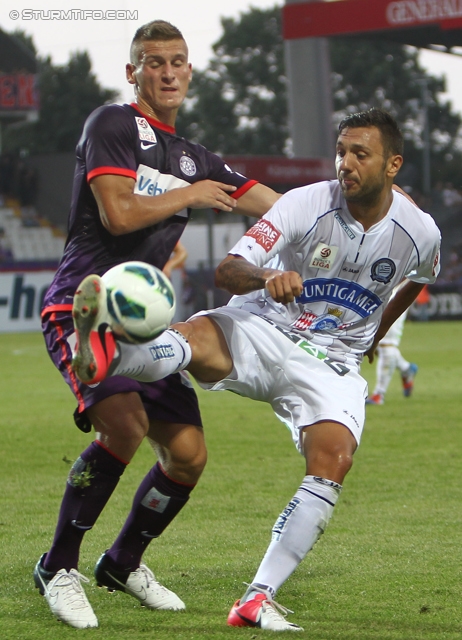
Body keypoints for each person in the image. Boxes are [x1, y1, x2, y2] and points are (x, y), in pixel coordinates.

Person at [71, 108, 441, 631]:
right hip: (268, 327)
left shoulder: (420, 232)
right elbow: (228, 268)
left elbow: (418, 279)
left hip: (332, 361)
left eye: (361, 154)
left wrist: (374, 335)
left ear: (393, 164)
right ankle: (106, 357)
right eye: (341, 152)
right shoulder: (303, 204)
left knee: (333, 459)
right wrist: (266, 276)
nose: (346, 163)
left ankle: (256, 598)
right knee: (197, 339)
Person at [35, 20, 279, 630]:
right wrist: (190, 193)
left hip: (141, 330)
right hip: (83, 308)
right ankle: (58, 565)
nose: (168, 72)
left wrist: (354, 211)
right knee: (124, 425)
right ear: (132, 72)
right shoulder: (113, 125)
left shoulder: (197, 156)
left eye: (177, 62)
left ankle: (121, 563)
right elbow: (117, 214)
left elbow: (278, 206)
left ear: (190, 71)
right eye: (154, 62)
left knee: (188, 456)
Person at [365, 285, 418, 405]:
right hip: (378, 288)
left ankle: (379, 394)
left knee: (385, 343)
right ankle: (406, 368)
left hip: (397, 289)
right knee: (374, 342)